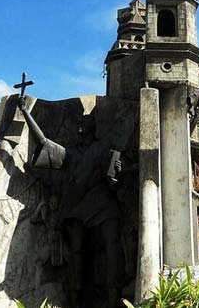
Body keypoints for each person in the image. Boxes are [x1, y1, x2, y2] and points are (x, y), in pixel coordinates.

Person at [18, 97, 124, 308]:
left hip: (102, 203)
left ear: (93, 127)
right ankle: (75, 302)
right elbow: (44, 144)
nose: (80, 125)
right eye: (79, 123)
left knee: (112, 249)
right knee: (76, 254)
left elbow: (114, 180)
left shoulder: (104, 147)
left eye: (84, 122)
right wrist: (26, 113)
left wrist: (116, 174)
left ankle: (113, 301)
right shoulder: (71, 154)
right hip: (77, 206)